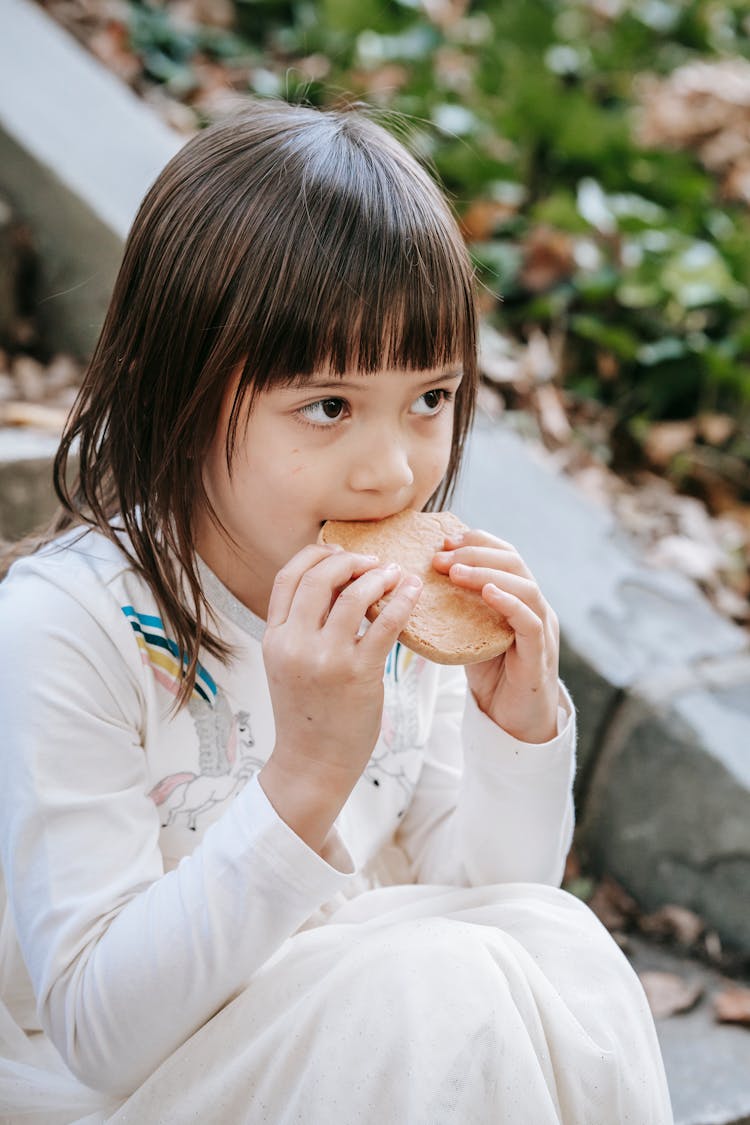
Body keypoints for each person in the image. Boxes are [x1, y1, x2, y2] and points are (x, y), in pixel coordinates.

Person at [0, 99, 672, 1124]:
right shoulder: (70, 630)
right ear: (177, 394)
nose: (393, 469)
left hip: (366, 1053)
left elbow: (493, 896)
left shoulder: (405, 612)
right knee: (429, 988)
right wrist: (305, 775)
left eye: (432, 399)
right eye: (328, 406)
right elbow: (99, 1037)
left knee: (560, 947)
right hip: (130, 1092)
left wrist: (516, 727)